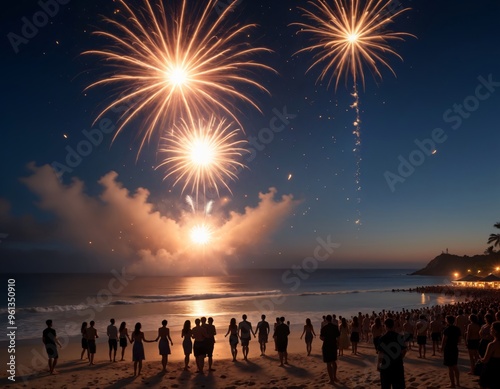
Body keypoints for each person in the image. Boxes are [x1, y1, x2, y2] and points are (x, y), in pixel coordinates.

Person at [377, 318, 406, 389]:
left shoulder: (382, 338)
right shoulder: (400, 337)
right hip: (397, 365)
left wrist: (378, 364)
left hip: (386, 366)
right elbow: (404, 350)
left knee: (385, 386)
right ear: (393, 326)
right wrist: (400, 357)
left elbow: (381, 353)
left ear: (385, 326)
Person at [441, 315, 461, 388]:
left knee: (450, 367)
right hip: (455, 348)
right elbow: (459, 340)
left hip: (448, 348)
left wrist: (441, 349)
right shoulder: (457, 329)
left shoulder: (447, 329)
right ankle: (458, 382)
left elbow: (444, 340)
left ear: (447, 321)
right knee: (455, 366)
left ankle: (452, 384)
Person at [479, 321, 500, 389]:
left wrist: (480, 358)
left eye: (492, 328)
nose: (490, 329)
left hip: (491, 368)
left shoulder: (492, 344)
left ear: (495, 331)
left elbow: (485, 360)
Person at [320, 315, 340, 384]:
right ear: (331, 319)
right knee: (333, 361)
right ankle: (335, 377)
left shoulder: (324, 328)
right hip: (333, 345)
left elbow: (321, 337)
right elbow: (338, 336)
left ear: (326, 319)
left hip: (326, 345)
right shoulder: (335, 327)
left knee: (328, 363)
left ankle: (331, 379)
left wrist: (326, 339)